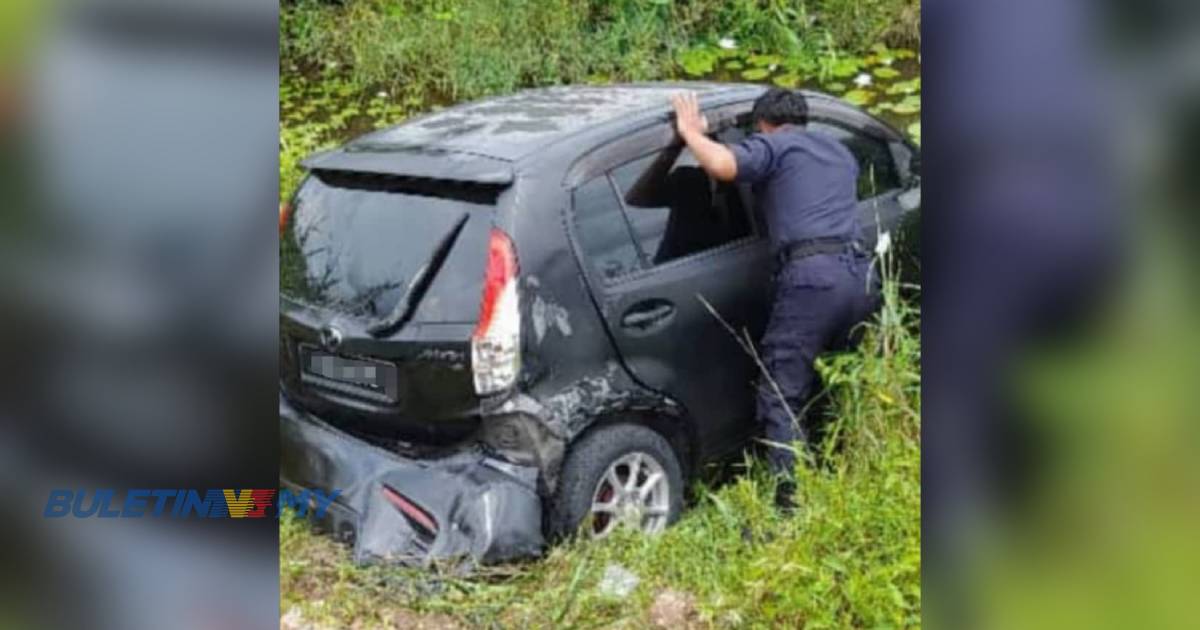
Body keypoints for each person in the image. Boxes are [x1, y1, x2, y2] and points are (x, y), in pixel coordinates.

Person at [670, 88, 878, 511]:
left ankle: (790, 500)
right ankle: (850, 460)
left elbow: (724, 165)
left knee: (782, 391)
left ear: (762, 124)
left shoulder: (773, 145)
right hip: (859, 275)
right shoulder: (838, 151)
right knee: (840, 372)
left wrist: (691, 133)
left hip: (811, 280)